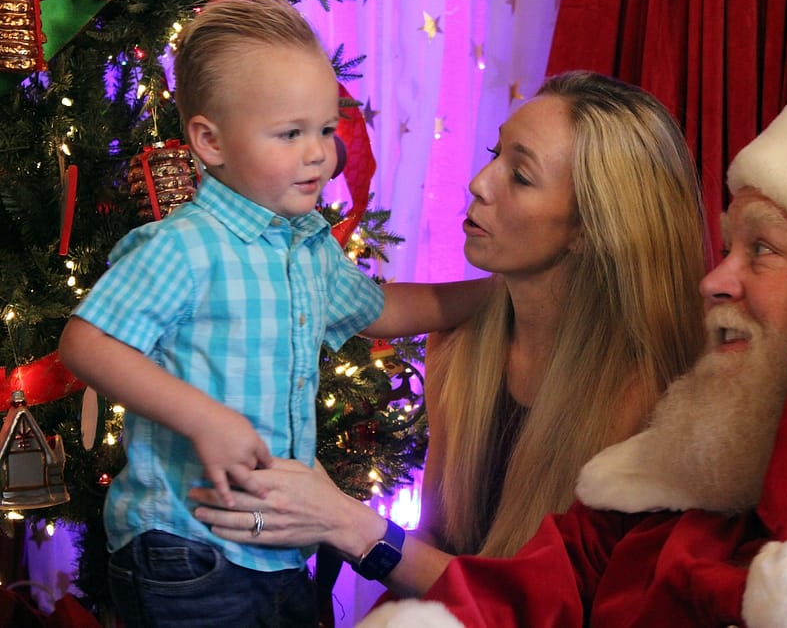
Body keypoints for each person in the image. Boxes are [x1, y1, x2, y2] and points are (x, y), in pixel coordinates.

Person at [352, 90, 787, 627]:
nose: (716, 279)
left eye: (758, 250)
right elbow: (520, 596)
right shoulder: (679, 467)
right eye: (727, 245)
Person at [58, 0, 491, 628]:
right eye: (290, 133)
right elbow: (87, 343)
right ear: (210, 141)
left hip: (278, 545)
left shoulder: (307, 244)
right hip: (186, 544)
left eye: (323, 129)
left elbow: (382, 310)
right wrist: (205, 419)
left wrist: (500, 291)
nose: (318, 152)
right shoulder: (183, 247)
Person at [189, 71, 711, 597]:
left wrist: (349, 524)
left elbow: (547, 605)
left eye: (521, 176)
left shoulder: (643, 398)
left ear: (590, 228)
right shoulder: (463, 344)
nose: (480, 182)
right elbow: (444, 537)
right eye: (495, 153)